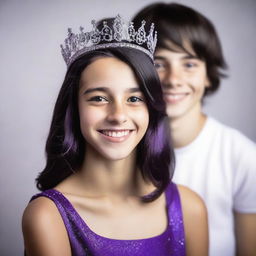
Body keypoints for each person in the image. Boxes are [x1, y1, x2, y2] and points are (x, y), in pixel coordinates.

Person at [22, 15, 208, 256]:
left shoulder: (189, 207)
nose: (118, 115)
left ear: (151, 108)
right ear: (74, 107)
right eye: (99, 98)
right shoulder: (47, 216)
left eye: (134, 99)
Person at [133, 3, 256, 256]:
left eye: (189, 64)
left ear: (208, 75)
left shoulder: (242, 156)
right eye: (158, 64)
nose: (173, 79)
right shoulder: (117, 149)